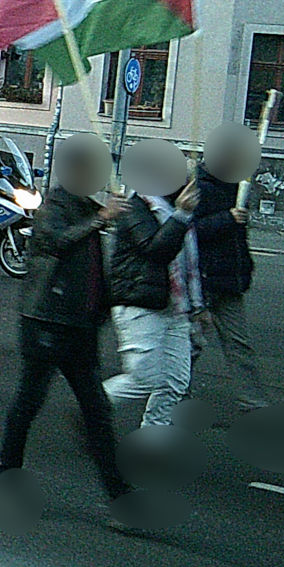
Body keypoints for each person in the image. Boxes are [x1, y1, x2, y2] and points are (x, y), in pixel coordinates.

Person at [0, 151, 132, 506]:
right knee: (29, 401)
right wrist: (102, 218)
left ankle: (119, 495)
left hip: (78, 325)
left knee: (96, 410)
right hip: (46, 321)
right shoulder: (54, 205)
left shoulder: (85, 205)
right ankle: (9, 472)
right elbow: (56, 242)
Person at [104, 180, 201, 428]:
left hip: (176, 306)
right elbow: (156, 249)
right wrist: (181, 215)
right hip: (140, 303)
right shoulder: (136, 207)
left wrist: (199, 305)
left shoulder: (172, 207)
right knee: (143, 380)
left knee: (175, 381)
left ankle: (153, 434)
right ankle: (92, 405)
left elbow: (189, 260)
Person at [191, 162, 271, 412]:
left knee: (238, 343)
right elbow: (189, 230)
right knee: (193, 343)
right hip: (205, 278)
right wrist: (228, 218)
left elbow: (236, 239)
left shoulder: (235, 187)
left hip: (228, 280)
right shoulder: (199, 187)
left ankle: (253, 401)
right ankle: (173, 391)